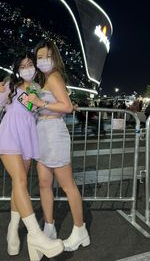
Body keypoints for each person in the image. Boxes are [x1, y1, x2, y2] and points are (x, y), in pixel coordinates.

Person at [0, 52, 64, 261]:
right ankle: (36, 235)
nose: (28, 67)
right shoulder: (11, 85)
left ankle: (12, 229)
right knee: (20, 180)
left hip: (28, 137)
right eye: (23, 65)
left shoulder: (37, 87)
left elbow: (40, 109)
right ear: (17, 69)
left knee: (19, 185)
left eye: (30, 64)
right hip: (10, 134)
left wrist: (55, 105)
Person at [27, 40, 90, 252]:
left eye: (46, 56)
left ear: (54, 58)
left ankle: (80, 230)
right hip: (42, 133)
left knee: (67, 185)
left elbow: (66, 106)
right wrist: (29, 102)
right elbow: (40, 106)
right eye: (39, 57)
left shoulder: (53, 77)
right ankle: (49, 227)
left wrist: (40, 103)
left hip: (54, 134)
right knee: (44, 183)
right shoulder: (42, 79)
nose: (42, 60)